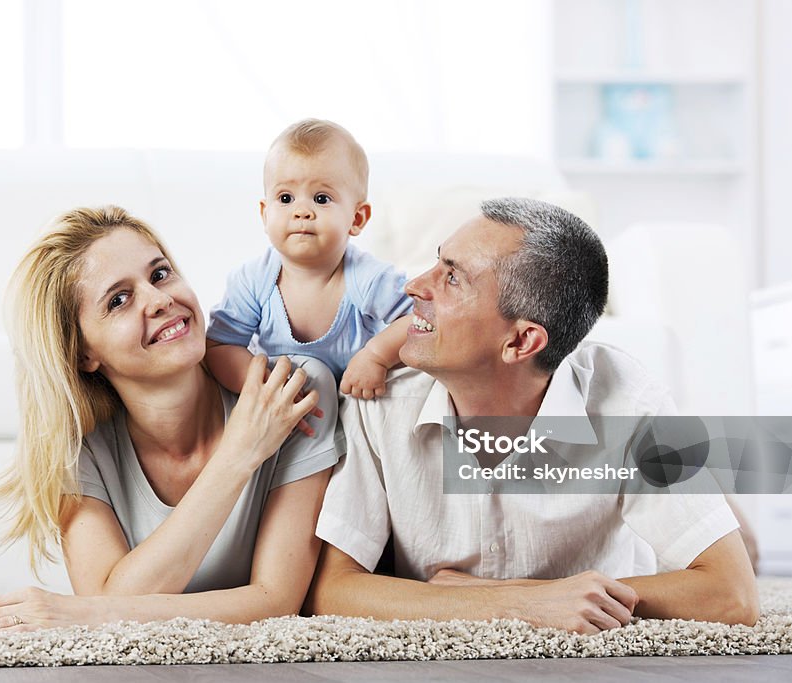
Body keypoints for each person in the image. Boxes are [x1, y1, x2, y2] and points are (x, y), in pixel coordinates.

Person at [307, 197, 760, 634]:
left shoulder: (627, 397)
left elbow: (732, 595)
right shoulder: (380, 400)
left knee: (746, 550)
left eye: (452, 279)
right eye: (437, 262)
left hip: (644, 538)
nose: (414, 286)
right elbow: (330, 590)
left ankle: (718, 501)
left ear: (521, 343)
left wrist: (518, 594)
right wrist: (520, 603)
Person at [0, 206, 339, 632]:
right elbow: (104, 597)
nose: (160, 300)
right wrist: (240, 452)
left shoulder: (290, 389)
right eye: (119, 300)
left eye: (160, 275)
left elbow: (277, 599)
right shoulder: (78, 450)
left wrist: (92, 611)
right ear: (84, 352)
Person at [206, 119, 413, 400]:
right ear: (265, 215)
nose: (302, 211)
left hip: (354, 397)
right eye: (286, 197)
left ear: (357, 218)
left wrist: (376, 355)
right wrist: (266, 386)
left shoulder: (367, 278)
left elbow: (422, 318)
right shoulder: (252, 281)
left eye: (321, 198)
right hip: (281, 406)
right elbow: (219, 347)